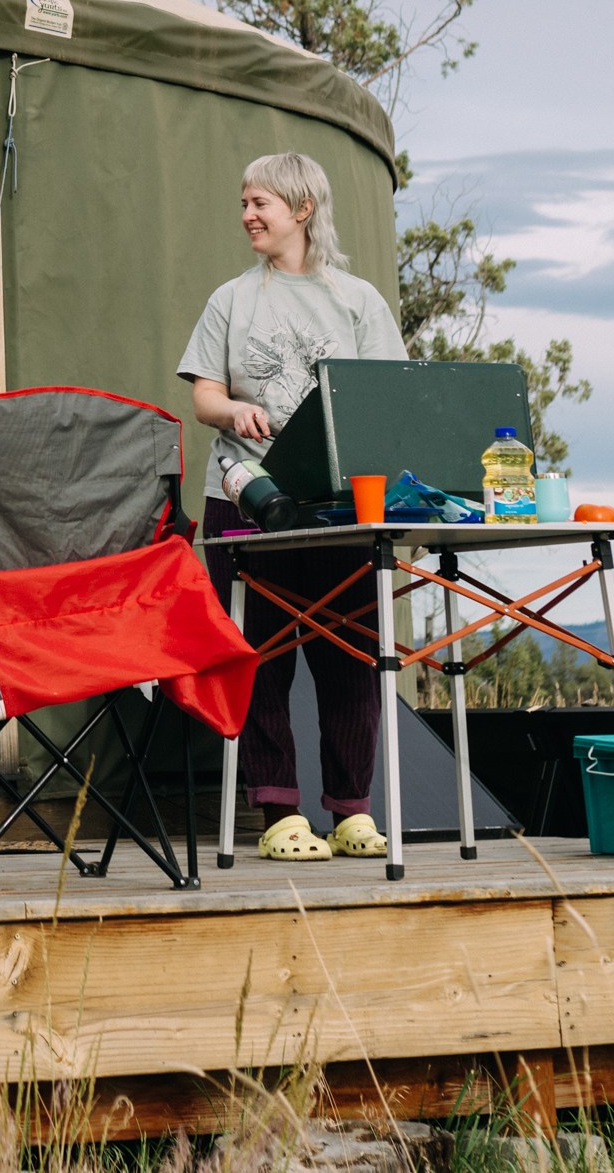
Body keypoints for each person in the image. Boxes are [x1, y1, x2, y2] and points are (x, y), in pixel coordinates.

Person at [176, 152, 404, 854]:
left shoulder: (358, 300)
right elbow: (202, 392)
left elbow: (383, 394)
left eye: (260, 202)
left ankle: (352, 812)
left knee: (352, 655)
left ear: (301, 209)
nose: (247, 214)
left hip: (338, 506)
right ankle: (279, 813)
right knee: (261, 654)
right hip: (247, 498)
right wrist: (233, 409)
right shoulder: (231, 299)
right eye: (244, 202)